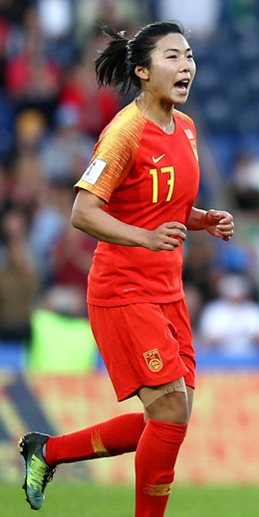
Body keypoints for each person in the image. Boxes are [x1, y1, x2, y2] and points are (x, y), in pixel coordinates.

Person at [17, 21, 234, 517]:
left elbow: (161, 206)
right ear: (142, 71)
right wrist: (146, 238)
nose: (187, 67)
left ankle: (47, 452)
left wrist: (202, 220)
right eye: (173, 58)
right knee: (171, 416)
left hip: (167, 291)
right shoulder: (123, 132)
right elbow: (83, 212)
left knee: (170, 421)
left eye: (190, 56)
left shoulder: (187, 127)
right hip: (124, 290)